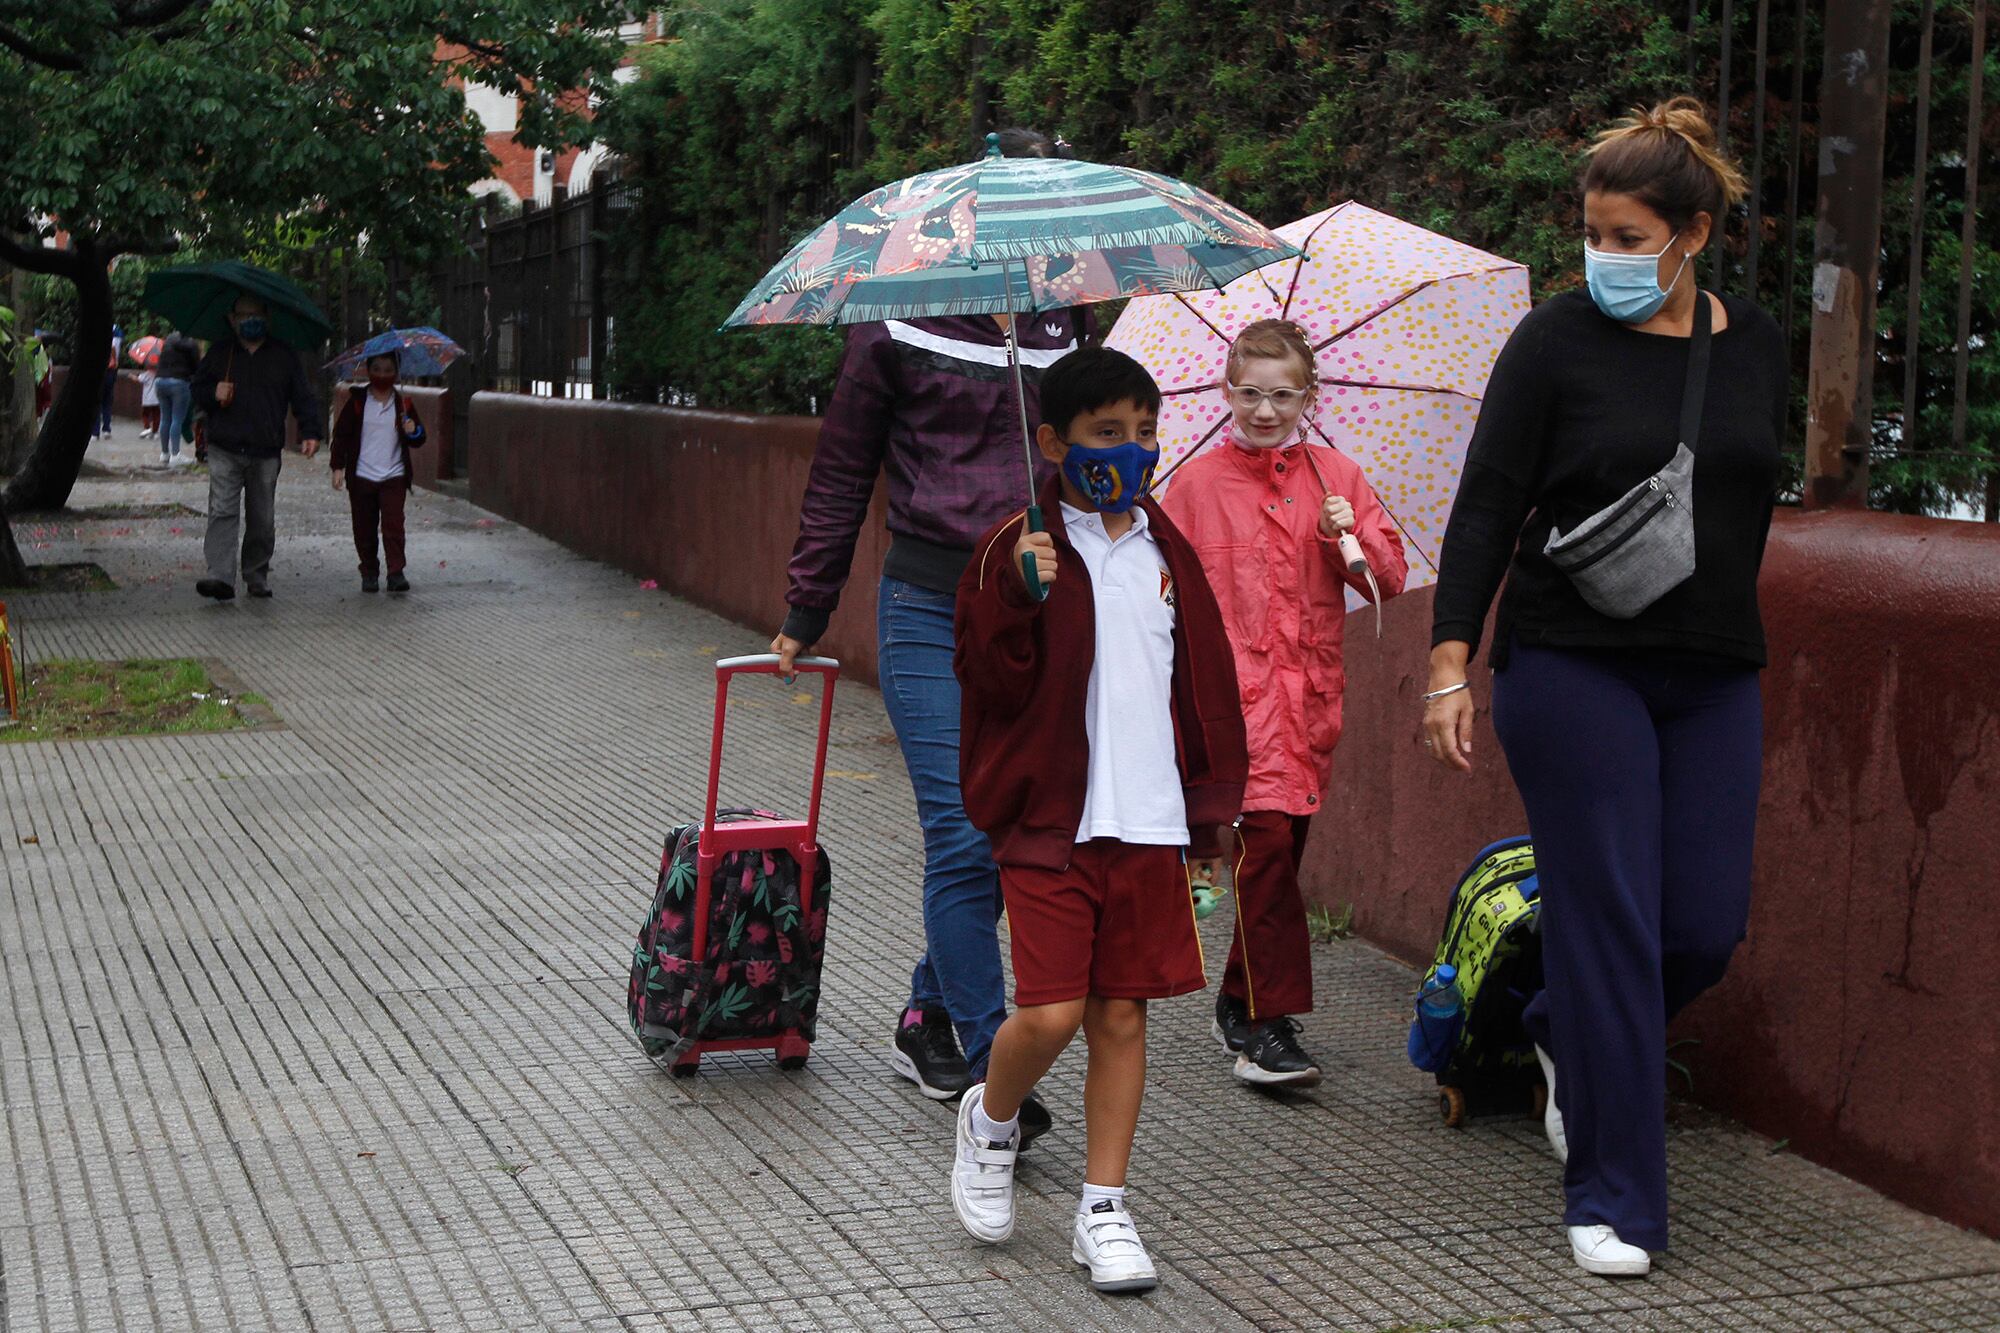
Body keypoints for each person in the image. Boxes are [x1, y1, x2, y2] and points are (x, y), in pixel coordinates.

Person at [1423, 97, 1783, 1279]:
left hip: (1712, 668)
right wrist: (1448, 664)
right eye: (1592, 233)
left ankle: (1555, 1027)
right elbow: (1485, 503)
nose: (1602, 258)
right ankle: (1614, 1197)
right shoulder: (1553, 342)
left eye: (1626, 237)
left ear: (1691, 232)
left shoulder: (1756, 342)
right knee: (1615, 923)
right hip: (1568, 659)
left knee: (1699, 926)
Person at [769, 127, 1086, 1133]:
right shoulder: (893, 322)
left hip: (1034, 608)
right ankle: (1002, 1071)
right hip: (924, 605)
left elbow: (1092, 460)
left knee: (1009, 837)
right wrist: (806, 608)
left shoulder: (1064, 323)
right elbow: (839, 471)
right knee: (960, 832)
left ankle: (927, 1013)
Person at [947, 346, 1247, 1293]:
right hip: (1049, 824)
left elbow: (1202, 685)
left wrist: (1211, 814)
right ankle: (989, 1120)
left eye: (1144, 432)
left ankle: (1104, 1206)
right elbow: (988, 684)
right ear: (1053, 441)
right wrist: (1017, 601)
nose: (1130, 451)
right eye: (1105, 434)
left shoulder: (1165, 549)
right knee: (1050, 1012)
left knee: (1122, 1014)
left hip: (1148, 822)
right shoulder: (1016, 547)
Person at [1161, 318, 1407, 1088]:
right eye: (1250, 392)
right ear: (1226, 392)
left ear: (1310, 395)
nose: (1265, 410)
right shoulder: (1195, 485)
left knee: (1280, 855)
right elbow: (1162, 589)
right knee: (1263, 853)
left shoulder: (1338, 477)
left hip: (1309, 705)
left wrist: (1345, 538)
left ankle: (1239, 998)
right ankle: (1268, 1026)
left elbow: (1386, 581)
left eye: (1282, 394)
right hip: (1231, 709)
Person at [190, 295, 323, 601]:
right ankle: (220, 576)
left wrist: (311, 431)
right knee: (222, 510)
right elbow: (196, 388)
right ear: (232, 319)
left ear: (267, 317)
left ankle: (256, 574)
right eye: (243, 314)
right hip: (225, 446)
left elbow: (302, 395)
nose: (250, 319)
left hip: (265, 450)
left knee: (262, 518)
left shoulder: (283, 355)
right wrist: (213, 392)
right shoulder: (221, 352)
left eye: (257, 314)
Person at [329, 351, 426, 593]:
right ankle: (369, 571)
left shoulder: (403, 404)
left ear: (396, 373)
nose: (382, 374)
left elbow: (419, 438)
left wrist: (412, 429)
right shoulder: (358, 402)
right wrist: (337, 466)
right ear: (368, 371)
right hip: (362, 475)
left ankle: (396, 572)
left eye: (388, 370)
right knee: (364, 526)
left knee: (394, 524)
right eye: (377, 369)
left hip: (394, 475)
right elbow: (341, 435)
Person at [154, 329, 201, 466]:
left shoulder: (168, 341)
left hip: (160, 380)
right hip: (179, 382)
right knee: (177, 419)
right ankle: (176, 454)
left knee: (165, 418)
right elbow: (196, 367)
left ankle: (164, 453)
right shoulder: (191, 344)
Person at [92, 325, 123, 440]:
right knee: (107, 401)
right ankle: (106, 429)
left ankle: (95, 432)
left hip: (101, 371)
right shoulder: (117, 333)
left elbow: (113, 348)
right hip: (111, 371)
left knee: (97, 402)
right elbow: (115, 350)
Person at [139, 366, 160, 440]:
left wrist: (131, 376)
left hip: (147, 399)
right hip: (157, 399)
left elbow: (139, 379)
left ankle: (147, 428)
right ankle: (155, 432)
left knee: (145, 414)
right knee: (156, 415)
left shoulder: (147, 373)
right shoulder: (159, 373)